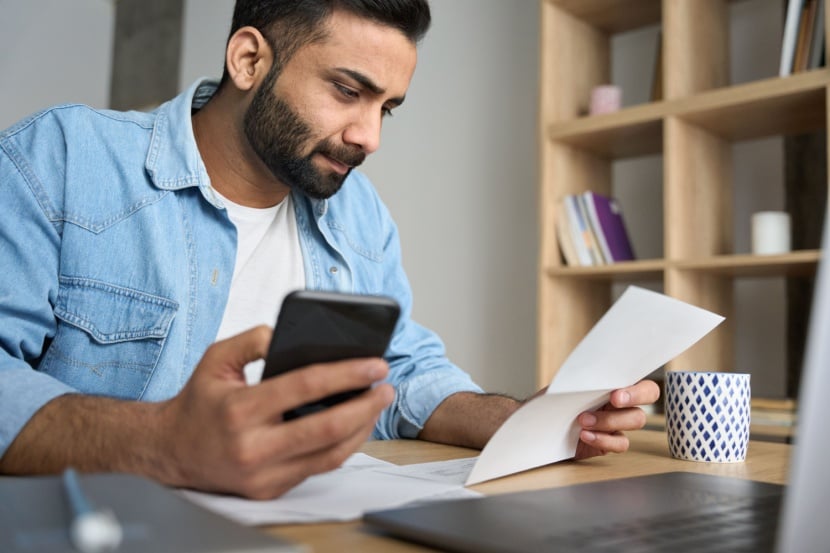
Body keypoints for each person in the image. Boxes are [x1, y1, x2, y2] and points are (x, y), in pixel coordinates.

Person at [0, 0, 659, 499]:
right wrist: (164, 443)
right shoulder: (61, 159)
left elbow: (398, 368)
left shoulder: (357, 211)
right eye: (348, 91)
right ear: (249, 60)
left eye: (387, 108)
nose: (368, 136)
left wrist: (519, 420)